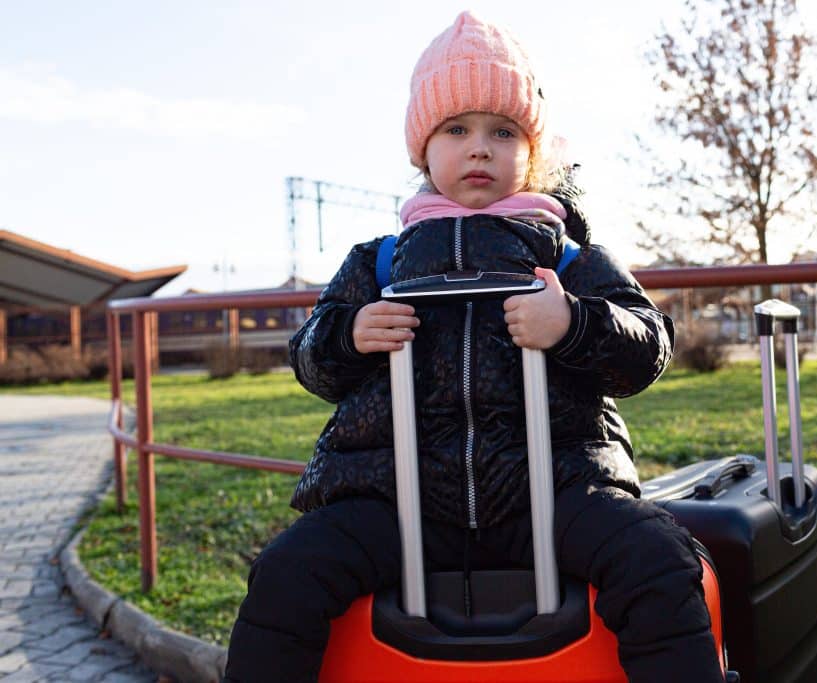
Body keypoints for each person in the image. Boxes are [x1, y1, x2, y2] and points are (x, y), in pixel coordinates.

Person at [224, 11, 722, 683]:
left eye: (503, 130)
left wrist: (572, 321)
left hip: (554, 484)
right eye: (456, 129)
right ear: (422, 151)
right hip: (394, 495)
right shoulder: (382, 262)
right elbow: (309, 354)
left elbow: (647, 345)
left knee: (659, 559)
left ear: (533, 150)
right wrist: (350, 334)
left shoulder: (568, 255)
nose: (479, 148)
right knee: (286, 574)